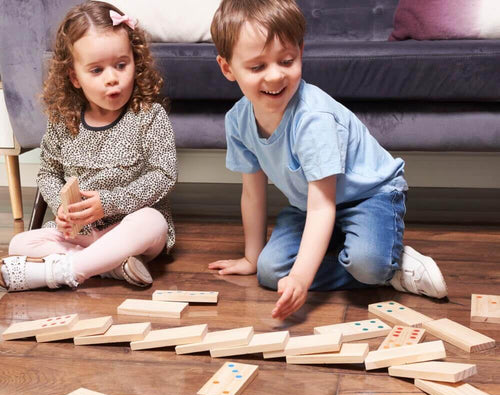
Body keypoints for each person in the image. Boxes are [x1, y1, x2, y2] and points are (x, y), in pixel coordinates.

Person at [208, 0, 448, 320]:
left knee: (368, 266)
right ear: (227, 68)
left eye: (287, 60)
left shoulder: (313, 118)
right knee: (269, 272)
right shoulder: (237, 121)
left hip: (368, 196)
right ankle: (354, 252)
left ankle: (392, 265)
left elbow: (324, 205)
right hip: (313, 203)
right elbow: (252, 191)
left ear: (301, 52)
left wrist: (302, 279)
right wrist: (251, 258)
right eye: (257, 67)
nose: (276, 76)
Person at [0, 1, 177, 292]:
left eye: (122, 65)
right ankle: (112, 267)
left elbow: (164, 175)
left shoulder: (148, 116)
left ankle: (69, 269)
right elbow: (47, 173)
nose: (112, 78)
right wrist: (62, 209)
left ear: (136, 60)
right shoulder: (64, 121)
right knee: (21, 242)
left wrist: (109, 203)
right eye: (96, 70)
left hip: (130, 229)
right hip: (82, 233)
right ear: (74, 77)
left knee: (152, 221)